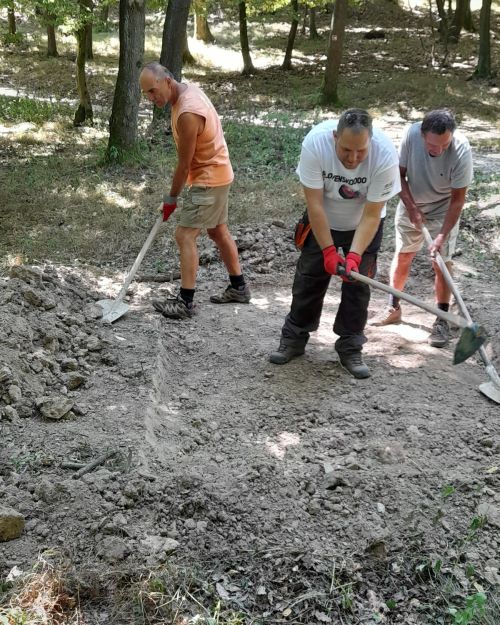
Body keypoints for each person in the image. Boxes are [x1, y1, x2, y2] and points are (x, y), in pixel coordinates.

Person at [269, 109, 400, 378]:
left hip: (363, 225)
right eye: (346, 150)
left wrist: (353, 256)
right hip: (323, 220)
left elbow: (372, 214)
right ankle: (294, 339)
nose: (353, 159)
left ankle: (350, 346)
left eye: (360, 151)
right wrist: (329, 250)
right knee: (309, 279)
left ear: (371, 141)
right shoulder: (315, 144)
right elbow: (315, 205)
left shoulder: (385, 155)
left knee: (359, 286)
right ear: (334, 137)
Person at [139, 62, 250, 319]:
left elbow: (184, 164)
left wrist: (171, 198)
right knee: (218, 230)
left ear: (167, 81)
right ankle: (239, 287)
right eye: (146, 94)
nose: (151, 98)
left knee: (184, 235)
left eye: (153, 91)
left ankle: (185, 302)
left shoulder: (188, 113)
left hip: (209, 178)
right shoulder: (186, 91)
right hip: (219, 172)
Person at [371, 110, 473, 348]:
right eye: (432, 144)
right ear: (422, 134)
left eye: (444, 144)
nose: (438, 150)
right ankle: (392, 306)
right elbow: (399, 175)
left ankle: (442, 318)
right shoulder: (411, 135)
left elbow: (458, 199)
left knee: (441, 262)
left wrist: (440, 236)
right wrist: (412, 208)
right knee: (404, 254)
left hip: (443, 207)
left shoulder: (461, 150)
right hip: (412, 201)